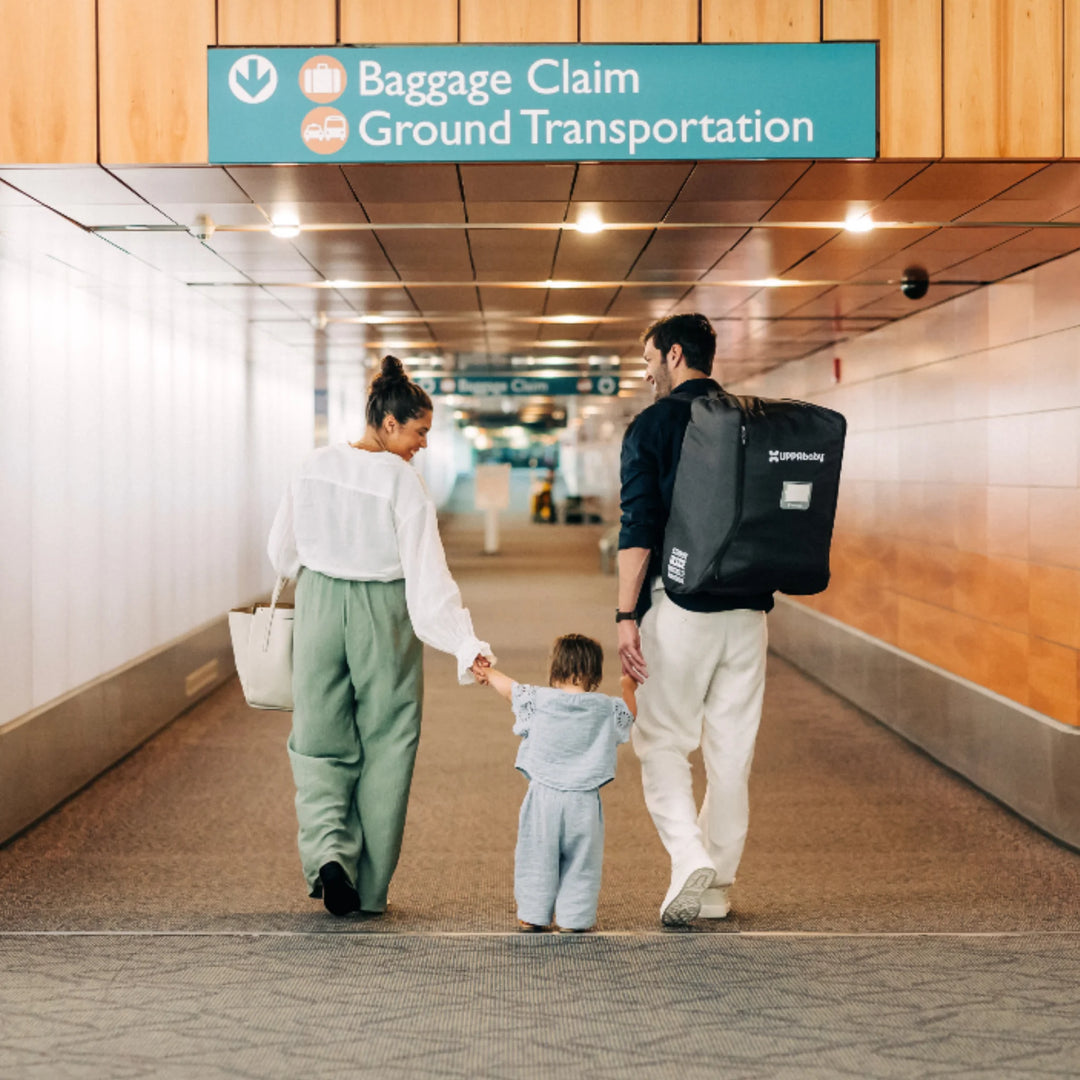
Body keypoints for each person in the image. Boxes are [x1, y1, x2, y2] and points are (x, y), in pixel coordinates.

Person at [268, 355, 494, 917]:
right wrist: (464, 643)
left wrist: (326, 568)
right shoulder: (402, 481)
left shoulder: (312, 464)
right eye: (419, 431)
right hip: (384, 610)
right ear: (390, 423)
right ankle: (367, 889)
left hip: (319, 602)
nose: (422, 443)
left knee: (318, 737)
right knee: (389, 739)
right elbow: (426, 576)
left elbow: (280, 553)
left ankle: (328, 855)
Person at [616, 313, 773, 927]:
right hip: (750, 609)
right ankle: (718, 885)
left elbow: (639, 525)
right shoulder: (751, 420)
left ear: (674, 354)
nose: (646, 368)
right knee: (731, 751)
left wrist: (626, 612)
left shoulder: (654, 425)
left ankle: (688, 858)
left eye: (649, 355)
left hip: (679, 606)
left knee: (661, 740)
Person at [475, 634, 636, 933]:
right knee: (582, 862)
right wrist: (628, 686)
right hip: (584, 801)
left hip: (543, 796)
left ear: (554, 668)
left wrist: (487, 671)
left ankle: (534, 914)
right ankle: (575, 918)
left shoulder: (539, 699)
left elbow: (510, 690)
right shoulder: (604, 707)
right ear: (596, 674)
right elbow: (629, 716)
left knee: (537, 854)